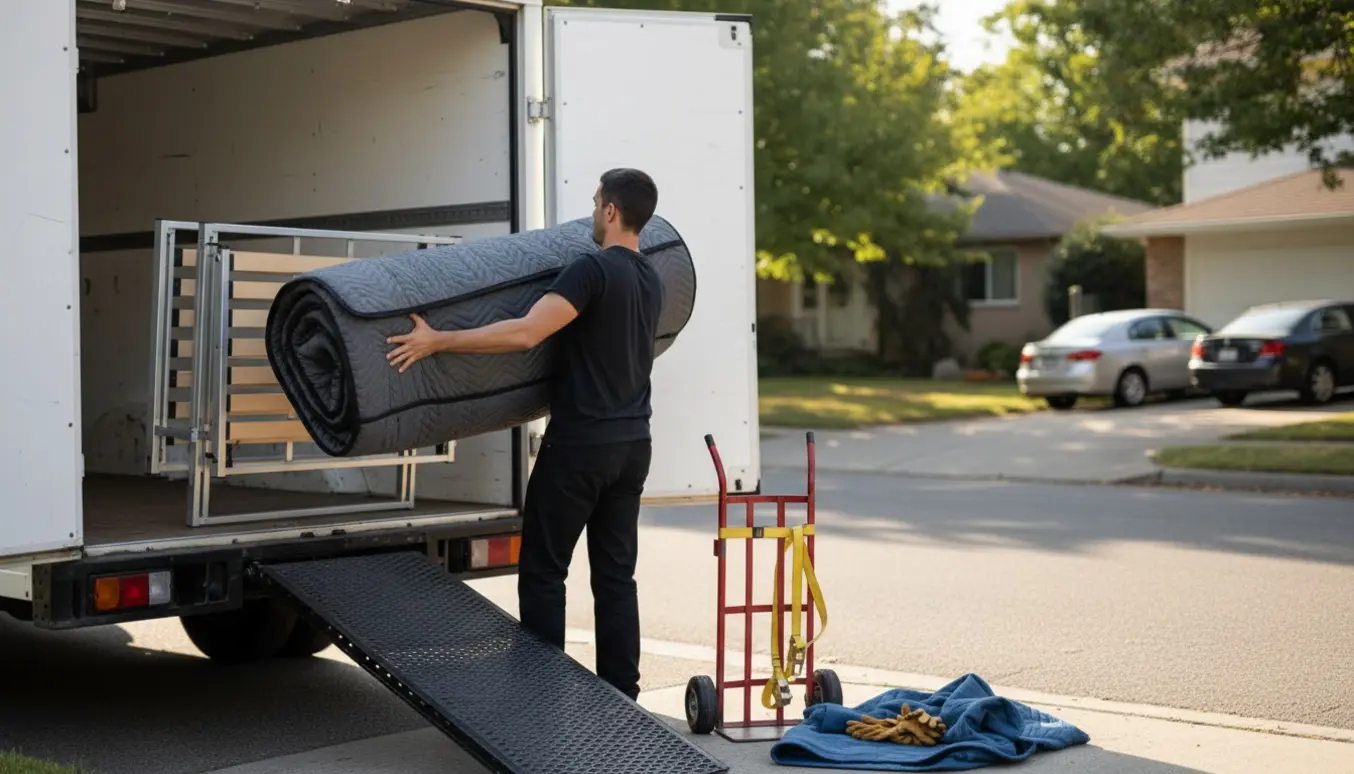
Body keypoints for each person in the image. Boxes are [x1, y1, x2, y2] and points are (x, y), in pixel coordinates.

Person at [384, 168, 664, 700]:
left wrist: (438, 341)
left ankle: (539, 697)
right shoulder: (651, 279)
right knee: (615, 578)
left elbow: (526, 331)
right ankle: (622, 699)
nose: (591, 211)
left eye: (595, 201)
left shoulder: (592, 271)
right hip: (633, 447)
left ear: (610, 211)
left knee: (542, 573)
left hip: (581, 446)